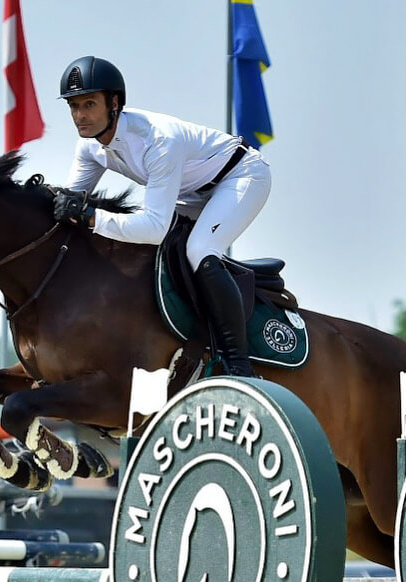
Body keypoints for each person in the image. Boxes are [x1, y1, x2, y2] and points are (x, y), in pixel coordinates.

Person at [53, 55, 271, 377]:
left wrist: (91, 218)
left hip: (241, 176)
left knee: (199, 249)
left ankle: (239, 364)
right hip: (192, 193)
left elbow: (154, 227)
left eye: (89, 104)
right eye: (73, 106)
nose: (80, 116)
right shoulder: (89, 148)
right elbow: (71, 202)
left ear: (114, 103)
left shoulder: (158, 140)